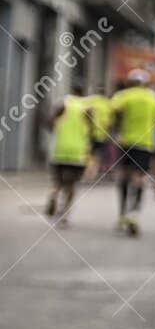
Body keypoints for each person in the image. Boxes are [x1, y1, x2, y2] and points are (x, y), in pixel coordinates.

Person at [108, 69, 155, 236]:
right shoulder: (153, 98)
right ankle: (134, 214)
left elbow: (113, 113)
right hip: (145, 143)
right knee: (139, 178)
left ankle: (122, 213)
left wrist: (117, 127)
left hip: (125, 142)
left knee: (123, 177)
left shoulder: (123, 96)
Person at [45, 82, 94, 226]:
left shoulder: (63, 104)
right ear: (83, 92)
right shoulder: (88, 107)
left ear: (72, 90)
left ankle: (54, 194)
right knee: (72, 184)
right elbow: (92, 130)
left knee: (58, 181)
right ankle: (64, 214)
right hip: (77, 152)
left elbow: (50, 123)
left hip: (60, 149)